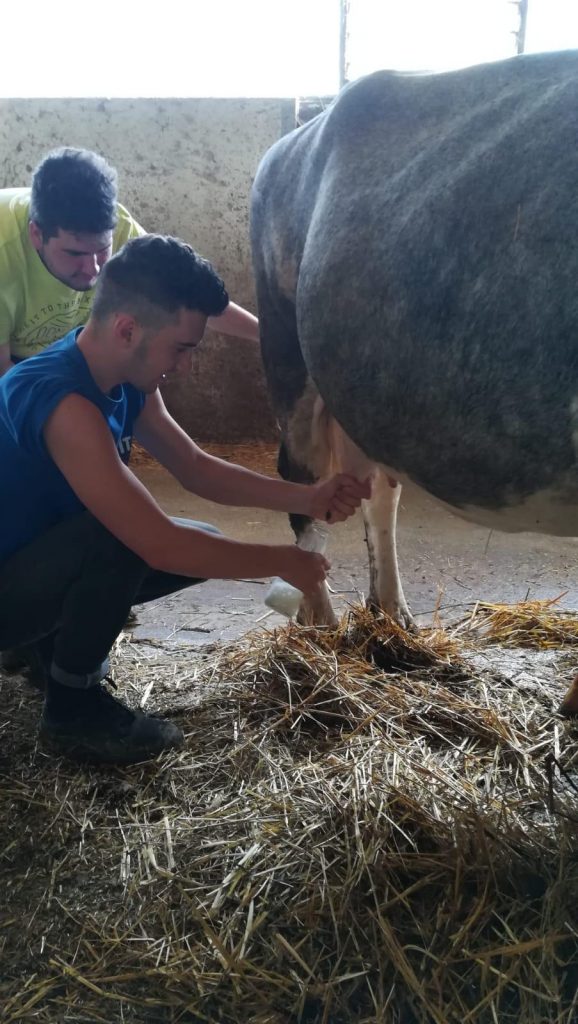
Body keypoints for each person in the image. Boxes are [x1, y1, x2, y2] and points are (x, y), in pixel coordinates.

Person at [0, 234, 369, 765]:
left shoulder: (123, 373)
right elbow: (157, 545)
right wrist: (285, 562)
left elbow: (195, 467)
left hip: (33, 558)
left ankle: (43, 645)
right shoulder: (65, 404)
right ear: (128, 330)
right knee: (123, 540)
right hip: (8, 588)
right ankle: (72, 708)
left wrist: (309, 497)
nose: (186, 366)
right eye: (181, 349)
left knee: (201, 541)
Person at [0, 147, 259, 375]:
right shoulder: (5, 254)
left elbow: (186, 296)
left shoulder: (122, 229)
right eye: (75, 254)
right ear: (37, 234)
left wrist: (270, 337)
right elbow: (6, 378)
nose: (94, 269)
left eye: (102, 249)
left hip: (72, 353)